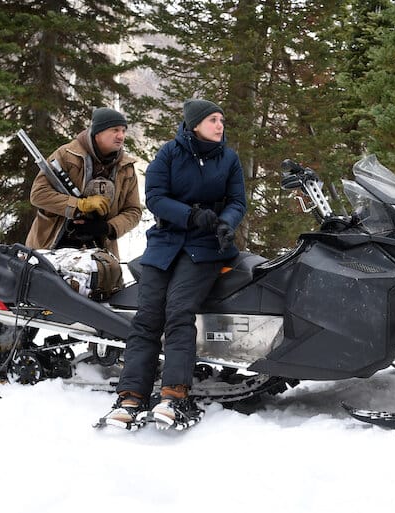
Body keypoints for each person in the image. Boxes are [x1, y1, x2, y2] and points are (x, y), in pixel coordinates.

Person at [100, 99, 246, 430]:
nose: (220, 125)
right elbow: (156, 197)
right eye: (213, 120)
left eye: (221, 119)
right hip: (166, 244)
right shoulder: (169, 153)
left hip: (206, 247)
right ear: (194, 124)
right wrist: (191, 215)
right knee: (148, 316)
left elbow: (238, 201)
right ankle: (130, 396)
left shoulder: (229, 158)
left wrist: (225, 223)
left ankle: (173, 394)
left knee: (179, 312)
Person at [25, 107, 143, 259]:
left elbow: (133, 211)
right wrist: (79, 205)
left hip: (99, 252)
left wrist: (107, 228)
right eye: (115, 130)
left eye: (123, 131)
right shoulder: (66, 155)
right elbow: (38, 194)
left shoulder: (126, 168)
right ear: (98, 132)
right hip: (51, 247)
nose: (121, 136)